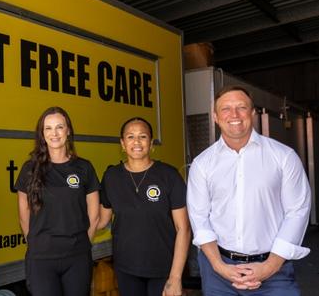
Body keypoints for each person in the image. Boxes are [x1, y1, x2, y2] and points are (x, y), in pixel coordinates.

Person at [187, 85, 311, 295]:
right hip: (219, 271)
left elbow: (297, 212)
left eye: (241, 107)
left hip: (274, 269)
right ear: (216, 117)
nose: (234, 114)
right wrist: (219, 267)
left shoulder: (284, 157)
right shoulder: (202, 164)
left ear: (252, 113)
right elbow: (199, 218)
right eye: (226, 109)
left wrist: (269, 267)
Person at [98, 117, 190, 296]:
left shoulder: (169, 176)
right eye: (130, 137)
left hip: (163, 268)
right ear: (123, 144)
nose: (137, 142)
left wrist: (175, 277)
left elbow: (183, 228)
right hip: (126, 268)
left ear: (151, 143)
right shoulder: (111, 177)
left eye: (143, 136)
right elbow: (101, 220)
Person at [15, 106, 100, 296]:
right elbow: (23, 215)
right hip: (41, 258)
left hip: (77, 256)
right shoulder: (29, 169)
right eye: (48, 128)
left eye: (59, 127)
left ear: (68, 131)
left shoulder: (84, 168)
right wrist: (37, 243)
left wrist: (83, 243)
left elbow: (94, 216)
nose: (54, 133)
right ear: (42, 134)